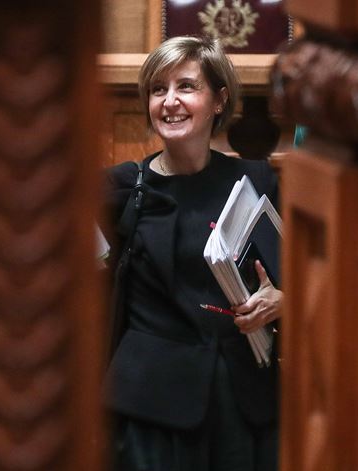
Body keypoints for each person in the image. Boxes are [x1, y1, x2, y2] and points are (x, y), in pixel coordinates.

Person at [102, 36, 282, 471]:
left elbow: (302, 275)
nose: (170, 102)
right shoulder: (121, 187)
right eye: (158, 90)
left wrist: (282, 299)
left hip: (243, 403)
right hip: (151, 410)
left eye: (186, 86)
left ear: (219, 100)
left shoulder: (256, 180)